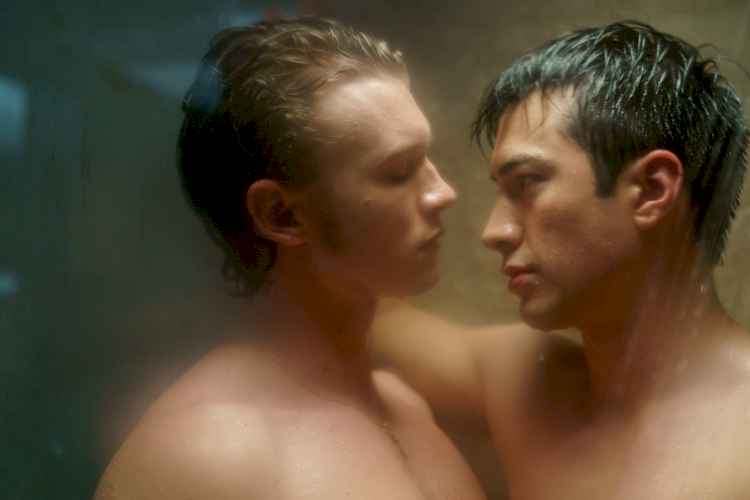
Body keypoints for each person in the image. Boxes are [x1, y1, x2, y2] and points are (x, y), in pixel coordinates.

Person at [94, 17, 487, 500]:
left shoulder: (403, 404)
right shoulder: (199, 455)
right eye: (399, 171)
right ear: (281, 214)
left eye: (427, 159)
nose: (443, 193)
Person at [373, 21, 750, 499]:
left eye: (527, 183)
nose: (494, 232)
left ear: (651, 190)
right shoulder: (527, 382)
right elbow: (358, 317)